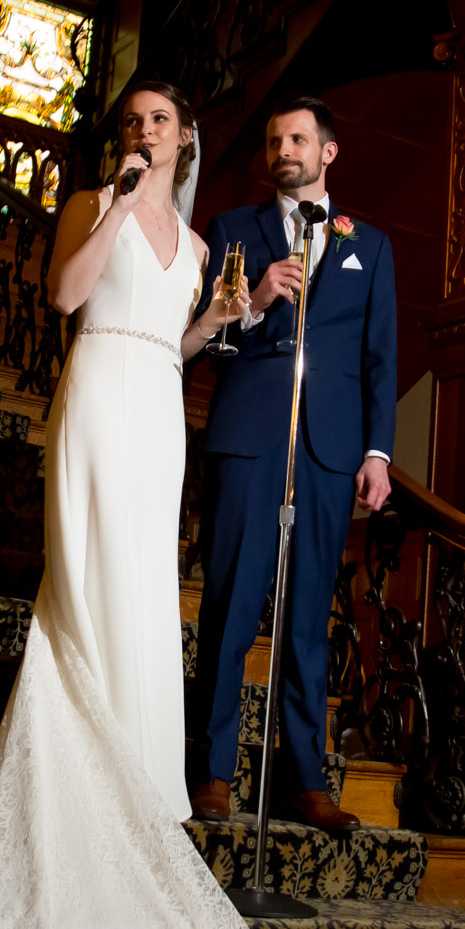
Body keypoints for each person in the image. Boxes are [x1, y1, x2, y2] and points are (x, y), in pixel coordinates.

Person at [0, 81, 301, 929]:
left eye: (161, 123)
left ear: (188, 137)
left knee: (143, 599)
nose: (146, 133)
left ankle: (131, 808)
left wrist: (233, 312)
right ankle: (67, 812)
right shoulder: (86, 207)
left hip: (156, 410)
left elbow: (174, 346)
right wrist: (117, 200)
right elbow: (64, 294)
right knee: (84, 594)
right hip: (96, 397)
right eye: (133, 123)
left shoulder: (195, 247)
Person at [187, 96, 396, 830]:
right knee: (230, 608)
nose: (284, 149)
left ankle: (306, 780)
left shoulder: (367, 245)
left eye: (298, 139)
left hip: (330, 448)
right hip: (249, 434)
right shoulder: (230, 230)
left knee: (308, 618)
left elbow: (379, 358)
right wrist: (253, 304)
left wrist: (376, 451)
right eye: (275, 139)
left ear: (326, 153)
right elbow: (208, 344)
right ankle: (210, 772)